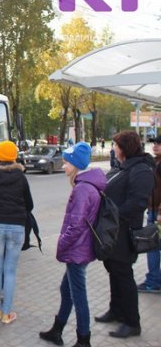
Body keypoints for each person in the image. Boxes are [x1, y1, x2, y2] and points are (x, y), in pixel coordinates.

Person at [39, 142, 106, 347]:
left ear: (76, 164)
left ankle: (83, 340)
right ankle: (57, 330)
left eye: (66, 163)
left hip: (77, 249)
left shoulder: (82, 189)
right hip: (82, 247)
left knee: (79, 295)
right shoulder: (87, 184)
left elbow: (75, 225)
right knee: (66, 289)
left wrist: (62, 244)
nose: (63, 166)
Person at [95, 130, 154, 339]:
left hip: (124, 231)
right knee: (113, 270)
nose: (113, 149)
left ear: (125, 148)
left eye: (116, 145)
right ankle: (116, 310)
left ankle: (132, 322)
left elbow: (137, 203)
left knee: (123, 274)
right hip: (113, 231)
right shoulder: (123, 167)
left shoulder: (141, 170)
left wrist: (112, 215)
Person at [0, 140, 33, 324]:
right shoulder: (21, 177)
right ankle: (7, 313)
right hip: (17, 226)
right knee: (10, 271)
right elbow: (29, 204)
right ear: (14, 156)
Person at [137, 135, 161, 293]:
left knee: (152, 247)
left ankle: (153, 281)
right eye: (155, 143)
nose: (155, 145)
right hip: (153, 210)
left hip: (157, 212)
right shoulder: (156, 162)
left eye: (159, 144)